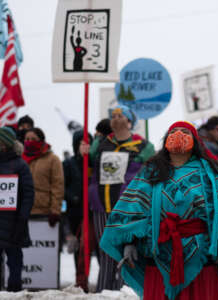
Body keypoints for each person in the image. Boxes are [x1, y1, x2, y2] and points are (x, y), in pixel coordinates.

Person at [100, 121, 218, 300]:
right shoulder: (151, 171)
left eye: (184, 132)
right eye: (174, 131)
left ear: (195, 141)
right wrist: (129, 243)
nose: (179, 135)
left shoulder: (210, 174)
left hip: (202, 258)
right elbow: (133, 210)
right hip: (157, 254)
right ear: (166, 139)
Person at [91, 105, 155, 292]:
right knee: (105, 250)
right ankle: (103, 291)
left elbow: (151, 172)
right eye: (113, 115)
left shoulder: (144, 146)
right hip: (102, 204)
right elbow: (87, 162)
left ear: (129, 121)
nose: (116, 118)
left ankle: (125, 292)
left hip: (128, 206)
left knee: (126, 251)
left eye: (120, 115)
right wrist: (84, 149)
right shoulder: (102, 143)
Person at [0, 127, 34, 292]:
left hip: (13, 223)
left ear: (6, 143)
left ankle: (15, 292)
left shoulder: (21, 165)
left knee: (14, 261)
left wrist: (22, 218)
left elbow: (28, 194)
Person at [63, 130, 96, 292]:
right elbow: (63, 185)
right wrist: (73, 197)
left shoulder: (93, 161)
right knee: (79, 247)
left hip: (92, 209)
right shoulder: (69, 164)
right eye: (82, 143)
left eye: (88, 142)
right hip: (76, 210)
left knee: (90, 244)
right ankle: (81, 279)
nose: (85, 146)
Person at [22, 128, 64, 226]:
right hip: (23, 211)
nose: (29, 142)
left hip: (44, 212)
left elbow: (57, 186)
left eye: (33, 139)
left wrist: (55, 211)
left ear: (41, 141)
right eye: (27, 139)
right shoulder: (20, 159)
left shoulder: (53, 159)